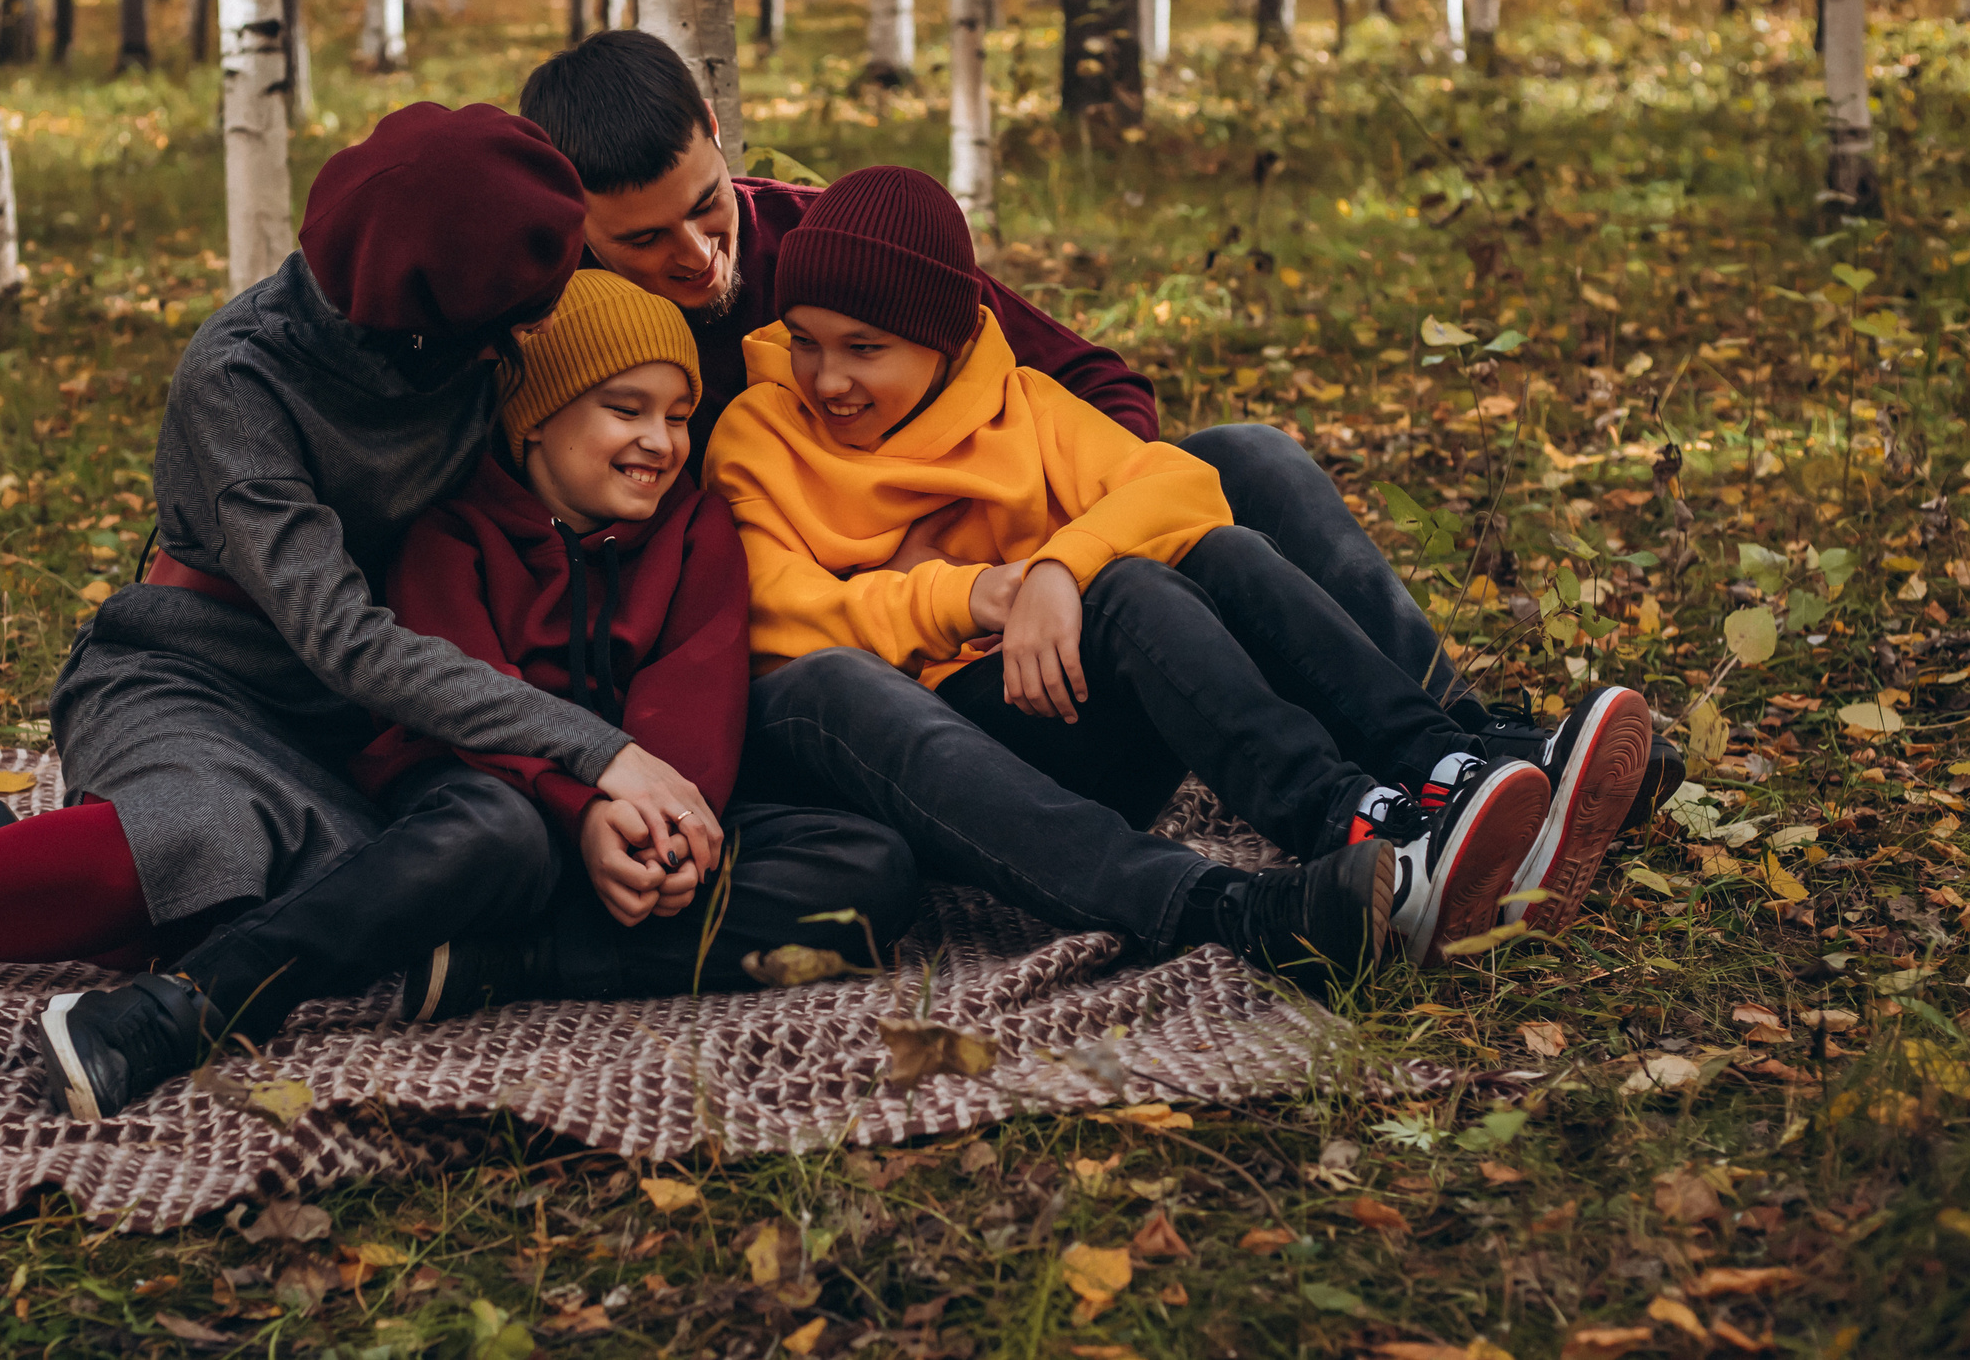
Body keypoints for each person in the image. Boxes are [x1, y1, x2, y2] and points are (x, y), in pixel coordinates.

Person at [0, 104, 753, 1121]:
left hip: (389, 723)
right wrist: (596, 750)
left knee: (379, 892)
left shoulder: (500, 309)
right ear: (430, 320)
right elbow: (340, 635)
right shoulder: (240, 378)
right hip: (204, 681)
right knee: (198, 851)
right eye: (524, 316)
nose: (551, 320)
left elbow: (670, 296)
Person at [515, 32, 1680, 816]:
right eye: (644, 241)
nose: (698, 256)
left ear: (719, 131)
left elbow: (1088, 377)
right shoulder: (573, 336)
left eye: (707, 207)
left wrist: (1044, 532)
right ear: (572, 220)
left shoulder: (832, 239)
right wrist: (962, 584)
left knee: (1244, 464)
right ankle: (1413, 785)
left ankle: (1458, 743)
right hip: (847, 640)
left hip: (1026, 575)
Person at [706, 167, 1653, 989]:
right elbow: (774, 609)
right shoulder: (760, 434)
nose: (827, 377)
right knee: (1132, 593)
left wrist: (1053, 571)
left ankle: (1437, 775)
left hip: (1064, 715)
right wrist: (975, 592)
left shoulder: (1022, 403)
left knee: (1215, 552)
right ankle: (1356, 823)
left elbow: (1181, 483)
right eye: (805, 339)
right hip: (934, 739)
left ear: (946, 340)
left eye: (864, 347)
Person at [356, 268, 917, 1017]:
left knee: (874, 872)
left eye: (681, 416)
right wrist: (581, 811)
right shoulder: (451, 532)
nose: (660, 441)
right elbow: (465, 709)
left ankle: (526, 955)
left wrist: (667, 841)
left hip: (645, 810)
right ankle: (537, 926)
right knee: (483, 836)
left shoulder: (697, 529)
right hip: (509, 801)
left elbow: (695, 699)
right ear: (536, 418)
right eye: (626, 409)